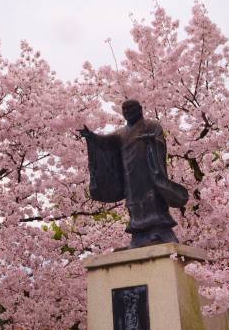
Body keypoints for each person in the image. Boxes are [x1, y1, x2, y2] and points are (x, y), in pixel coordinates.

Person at [80, 99, 188, 248]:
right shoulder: (121, 133)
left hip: (149, 171)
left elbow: (159, 143)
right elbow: (105, 143)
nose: (128, 113)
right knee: (134, 203)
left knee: (152, 199)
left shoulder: (151, 125)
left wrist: (151, 142)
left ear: (140, 109)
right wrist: (91, 136)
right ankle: (139, 236)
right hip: (130, 174)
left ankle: (158, 232)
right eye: (125, 111)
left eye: (131, 110)